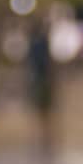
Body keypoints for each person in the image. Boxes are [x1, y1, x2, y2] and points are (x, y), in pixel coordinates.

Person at [26, 20, 57, 155]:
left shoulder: (35, 44)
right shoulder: (42, 43)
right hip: (41, 80)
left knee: (42, 110)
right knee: (44, 110)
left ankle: (43, 136)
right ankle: (44, 136)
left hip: (39, 80)